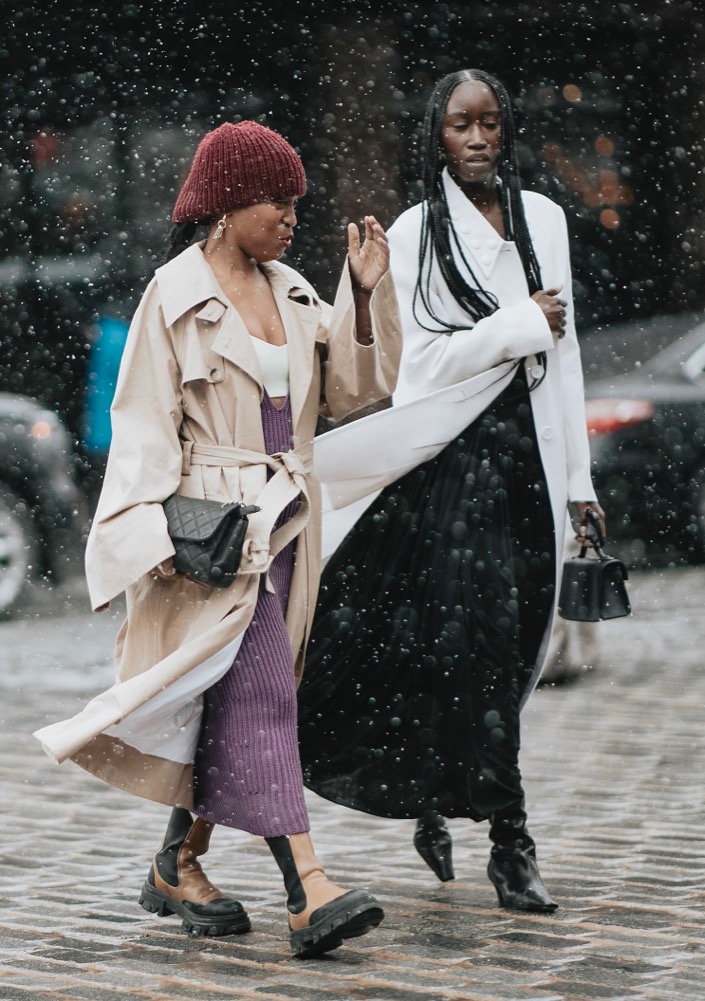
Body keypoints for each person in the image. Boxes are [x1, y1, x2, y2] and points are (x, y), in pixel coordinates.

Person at [33, 120, 402, 959]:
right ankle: (309, 889)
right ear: (227, 203)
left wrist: (365, 293)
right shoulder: (173, 294)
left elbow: (351, 395)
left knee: (227, 700)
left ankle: (177, 861)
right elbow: (140, 426)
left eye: (295, 201)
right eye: (275, 198)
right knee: (265, 688)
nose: (290, 215)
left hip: (286, 525)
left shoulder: (300, 292)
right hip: (212, 536)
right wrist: (144, 529)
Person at [297, 69, 606, 913]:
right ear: (434, 133)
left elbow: (564, 355)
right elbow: (416, 366)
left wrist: (579, 482)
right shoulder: (412, 232)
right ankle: (511, 843)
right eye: (459, 126)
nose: (477, 139)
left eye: (490, 124)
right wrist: (515, 325)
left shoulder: (544, 220)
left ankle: (439, 799)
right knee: (466, 644)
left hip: (528, 467)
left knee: (505, 657)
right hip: (449, 472)